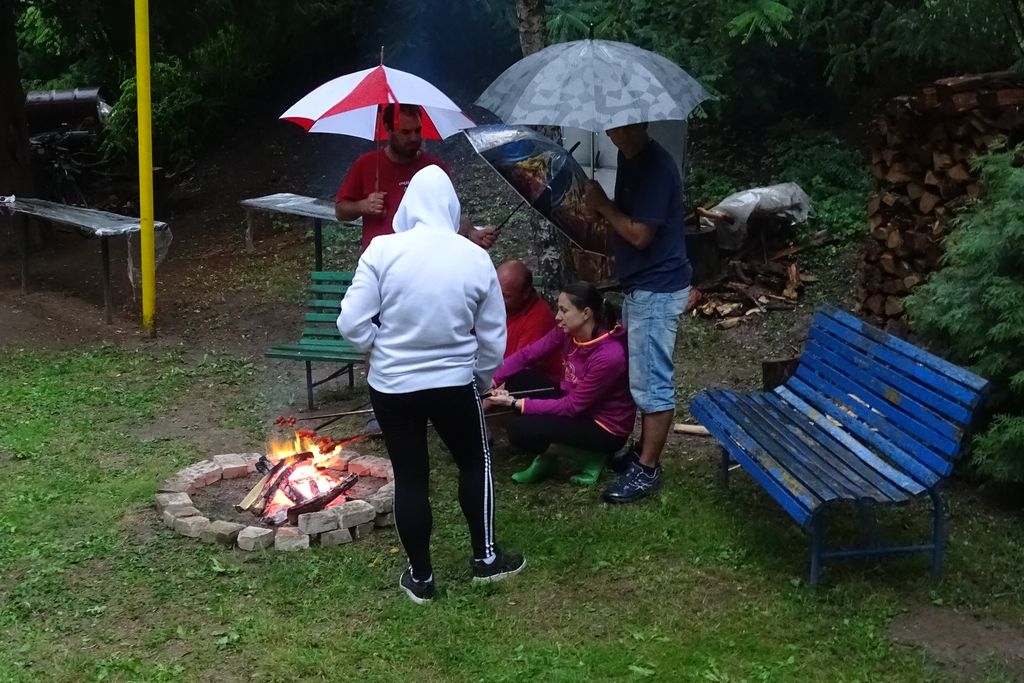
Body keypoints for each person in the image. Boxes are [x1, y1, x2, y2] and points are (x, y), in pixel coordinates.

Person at [337, 165, 524, 605]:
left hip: (392, 386)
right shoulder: (473, 257)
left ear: (409, 206)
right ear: (451, 207)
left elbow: (350, 322)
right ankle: (486, 559)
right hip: (453, 384)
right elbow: (493, 337)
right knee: (473, 463)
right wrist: (480, 379)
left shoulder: (382, 250)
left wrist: (379, 347)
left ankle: (421, 578)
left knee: (411, 476)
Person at [584, 122, 692, 504]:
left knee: (652, 381)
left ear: (644, 122)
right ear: (609, 132)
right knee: (639, 374)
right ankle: (640, 451)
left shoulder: (656, 167)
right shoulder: (628, 158)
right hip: (640, 285)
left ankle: (647, 470)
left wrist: (604, 206)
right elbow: (628, 217)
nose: (623, 134)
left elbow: (640, 235)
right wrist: (603, 212)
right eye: (616, 129)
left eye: (631, 127)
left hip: (657, 288)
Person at [488, 283, 635, 486]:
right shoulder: (568, 331)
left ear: (586, 313)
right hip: (576, 404)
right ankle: (549, 457)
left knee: (520, 430)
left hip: (603, 427)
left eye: (564, 311)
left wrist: (517, 403)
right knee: (517, 379)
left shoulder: (609, 355)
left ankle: (591, 456)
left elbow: (572, 406)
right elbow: (529, 354)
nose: (557, 317)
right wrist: (492, 380)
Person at [335, 102, 497, 251]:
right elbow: (341, 211)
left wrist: (471, 232)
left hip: (424, 260)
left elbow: (449, 214)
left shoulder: (435, 169)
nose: (414, 138)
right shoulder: (366, 164)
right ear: (388, 129)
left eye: (417, 130)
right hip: (380, 263)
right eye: (405, 132)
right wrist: (363, 206)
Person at [496, 259, 561, 384]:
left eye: (506, 296)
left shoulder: (538, 320)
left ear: (525, 294)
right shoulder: (502, 306)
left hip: (526, 384)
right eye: (496, 291)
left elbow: (519, 368)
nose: (498, 298)